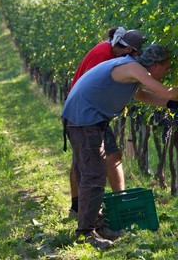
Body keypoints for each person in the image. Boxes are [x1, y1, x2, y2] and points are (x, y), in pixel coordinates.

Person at [61, 44, 178, 250]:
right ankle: (86, 233)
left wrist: (169, 105)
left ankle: (95, 225)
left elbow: (141, 95)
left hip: (85, 118)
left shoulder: (131, 71)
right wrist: (171, 97)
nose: (168, 71)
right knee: (94, 175)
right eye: (167, 67)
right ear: (156, 64)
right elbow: (164, 91)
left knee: (88, 174)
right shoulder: (134, 68)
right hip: (84, 119)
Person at [67, 27, 147, 220]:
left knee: (82, 159)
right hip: (87, 113)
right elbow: (95, 87)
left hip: (82, 112)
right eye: (136, 54)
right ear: (128, 51)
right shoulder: (104, 55)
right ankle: (121, 204)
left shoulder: (109, 51)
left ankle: (77, 209)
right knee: (111, 155)